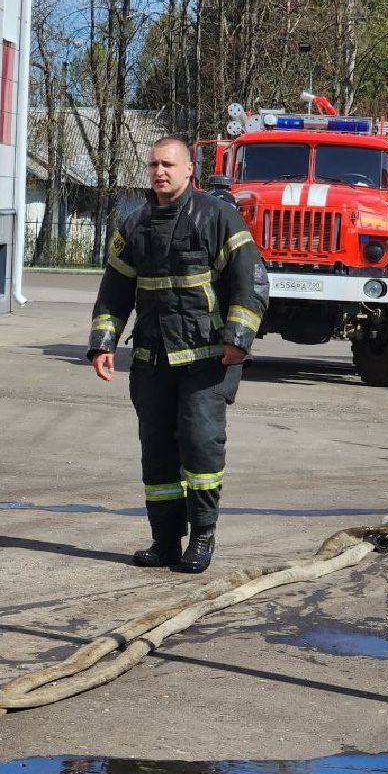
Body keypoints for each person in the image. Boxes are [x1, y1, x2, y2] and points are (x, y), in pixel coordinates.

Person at [87, 137, 269, 573]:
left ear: (190, 170)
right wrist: (103, 343)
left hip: (208, 361)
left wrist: (237, 339)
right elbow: (114, 292)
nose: (159, 171)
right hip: (152, 360)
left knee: (201, 447)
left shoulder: (218, 216)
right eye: (153, 164)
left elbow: (252, 283)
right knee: (157, 453)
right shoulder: (133, 226)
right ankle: (165, 541)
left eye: (168, 164)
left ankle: (202, 537)